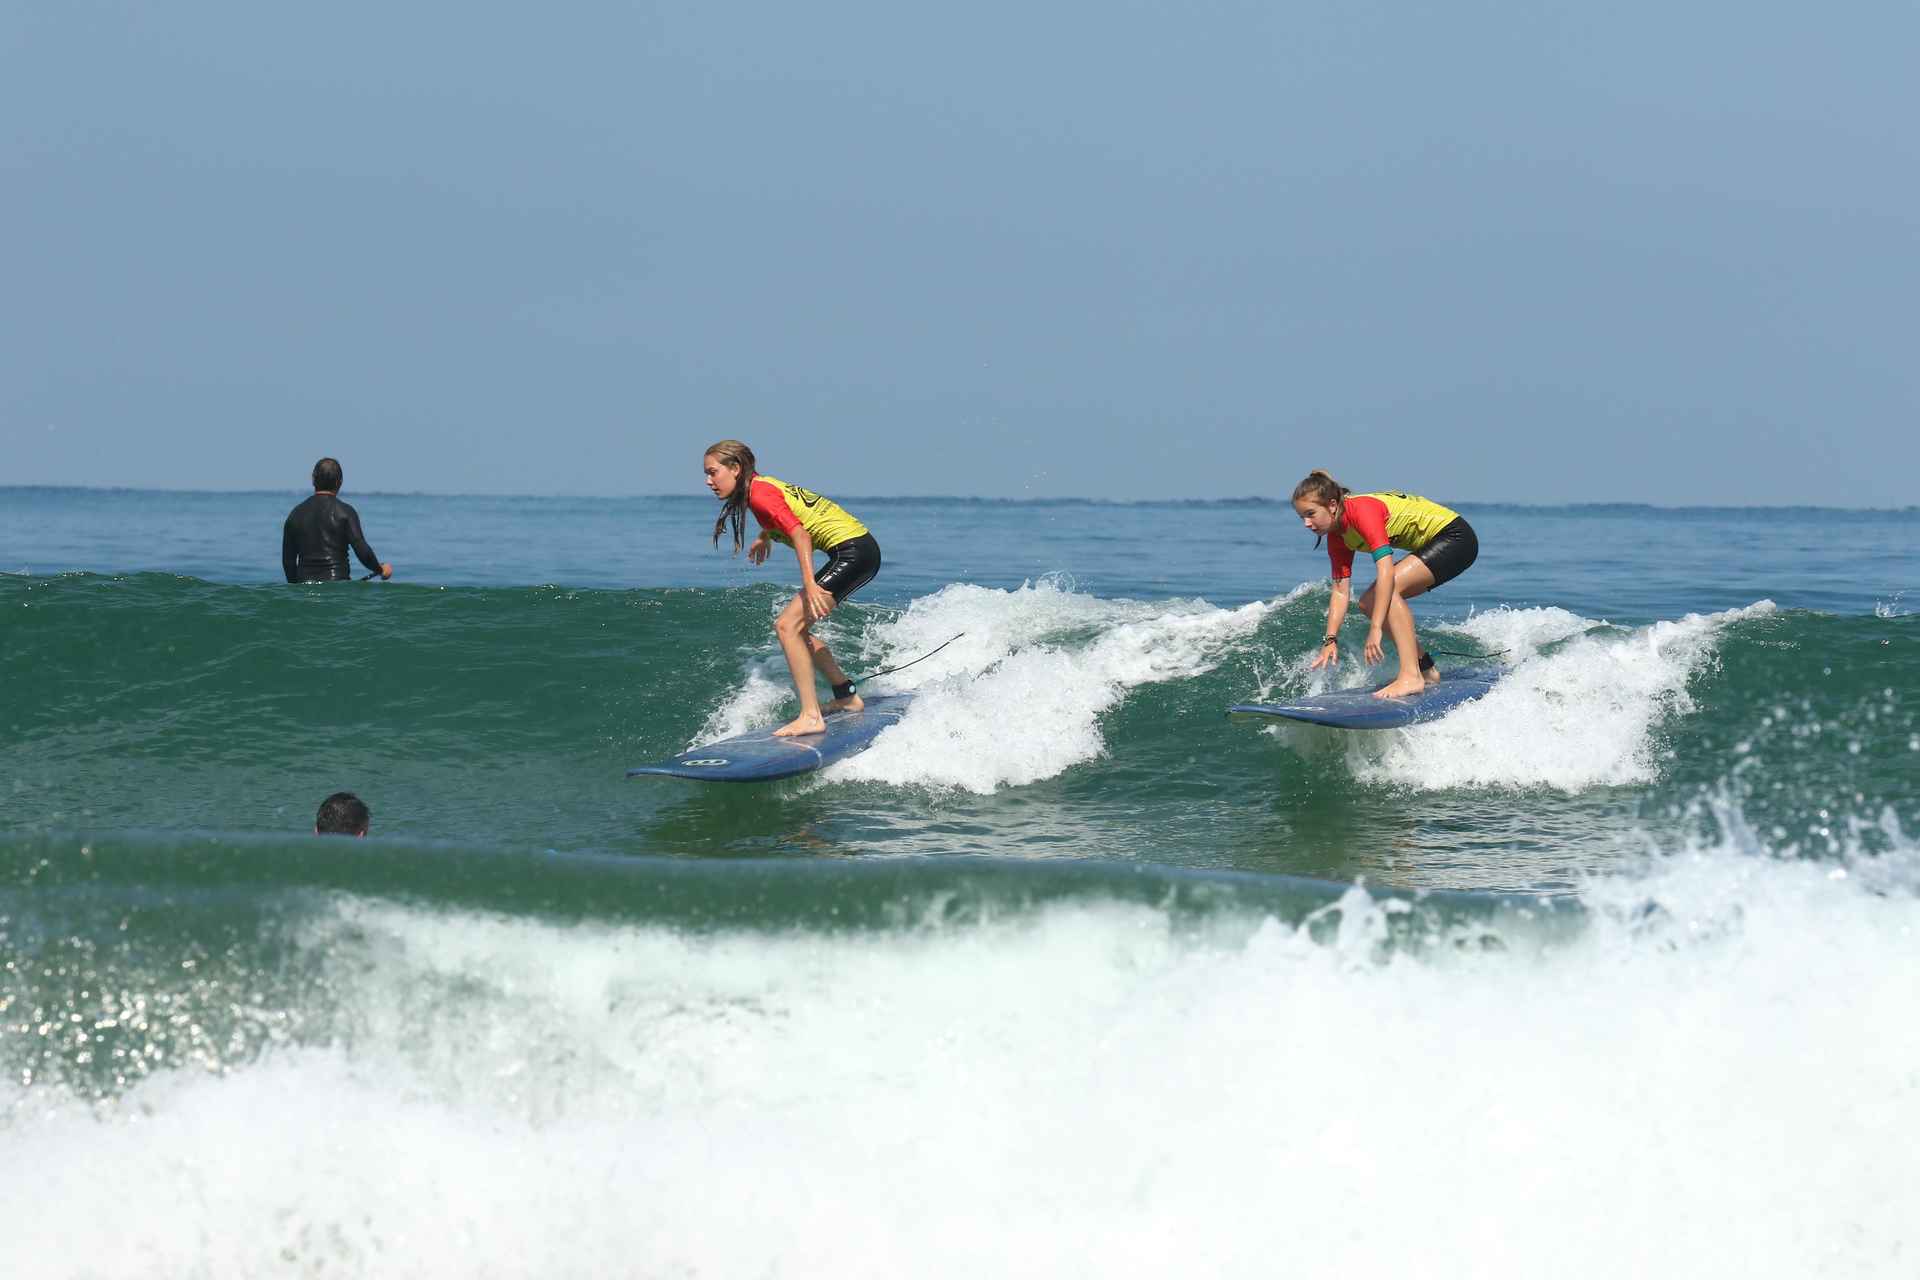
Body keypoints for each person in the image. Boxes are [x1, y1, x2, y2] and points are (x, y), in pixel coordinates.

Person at [704, 439, 882, 737]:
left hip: (854, 553)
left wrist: (809, 584)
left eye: (713, 472)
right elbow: (786, 513)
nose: (709, 481)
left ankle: (811, 716)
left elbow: (800, 534)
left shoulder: (759, 494)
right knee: (796, 629)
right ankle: (846, 697)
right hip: (858, 549)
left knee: (787, 626)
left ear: (735, 468)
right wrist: (765, 536)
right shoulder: (760, 486)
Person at [1291, 470, 1479, 699]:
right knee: (1368, 603)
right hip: (1440, 542)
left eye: (1310, 514)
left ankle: (1411, 676)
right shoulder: (1337, 537)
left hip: (1456, 537)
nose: (1306, 523)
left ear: (1332, 505)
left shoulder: (1362, 511)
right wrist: (1330, 639)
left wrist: (1376, 628)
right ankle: (1426, 671)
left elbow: (1386, 572)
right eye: (1302, 517)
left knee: (1380, 595)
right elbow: (1340, 591)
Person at [283, 457, 393, 583]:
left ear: (313, 479)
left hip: (305, 588)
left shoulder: (295, 515)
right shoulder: (346, 513)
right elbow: (362, 551)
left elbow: (288, 562)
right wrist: (380, 569)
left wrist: (296, 588)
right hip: (337, 588)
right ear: (339, 482)